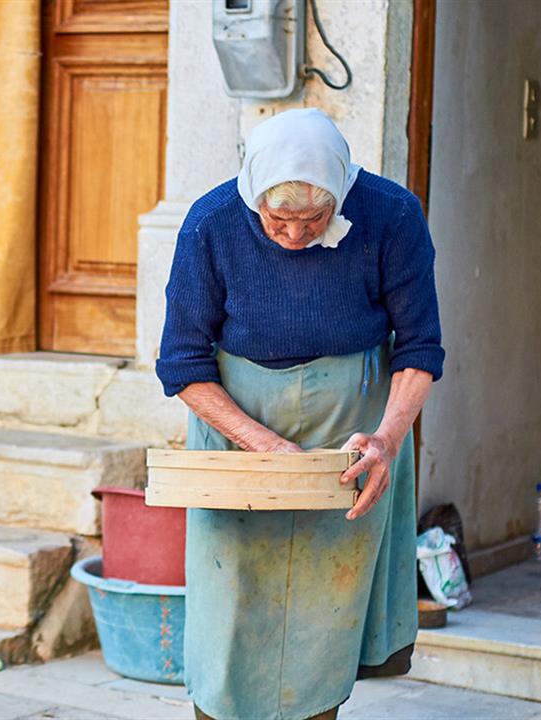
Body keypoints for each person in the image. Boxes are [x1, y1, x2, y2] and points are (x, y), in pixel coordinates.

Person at [156, 109, 444, 720]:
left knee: (326, 601)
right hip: (237, 424)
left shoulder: (391, 215)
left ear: (341, 190)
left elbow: (419, 347)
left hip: (353, 425)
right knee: (231, 594)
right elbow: (180, 362)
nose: (294, 235)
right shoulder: (211, 223)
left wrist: (388, 439)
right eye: (277, 219)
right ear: (252, 193)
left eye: (313, 219)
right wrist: (265, 446)